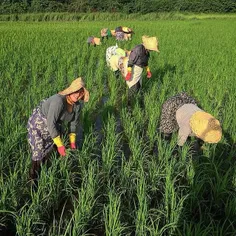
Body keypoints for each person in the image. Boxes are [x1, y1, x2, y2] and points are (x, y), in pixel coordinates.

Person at [27, 77, 89, 180]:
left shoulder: (77, 106)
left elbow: (73, 124)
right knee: (39, 150)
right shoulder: (58, 101)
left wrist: (72, 142)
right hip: (40, 122)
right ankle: (33, 179)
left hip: (55, 123)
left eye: (81, 93)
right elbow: (51, 124)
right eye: (76, 91)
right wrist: (60, 145)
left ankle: (51, 167)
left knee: (57, 143)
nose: (78, 95)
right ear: (71, 90)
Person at [125, 35, 159, 101]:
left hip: (139, 70)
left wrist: (148, 71)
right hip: (133, 68)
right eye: (152, 49)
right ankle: (129, 103)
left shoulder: (147, 52)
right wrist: (129, 73)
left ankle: (139, 100)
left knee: (139, 86)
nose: (152, 50)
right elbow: (131, 60)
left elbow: (145, 63)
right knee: (133, 86)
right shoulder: (138, 48)